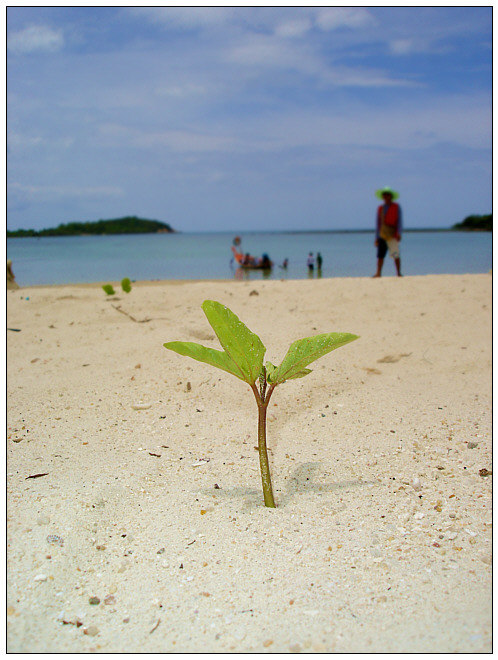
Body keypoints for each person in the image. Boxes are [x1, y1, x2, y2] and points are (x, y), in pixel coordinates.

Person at [373, 186, 402, 277]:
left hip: (392, 233)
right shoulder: (380, 208)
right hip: (382, 233)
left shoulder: (396, 207)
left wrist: (399, 233)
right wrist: (376, 237)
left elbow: (399, 221)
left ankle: (398, 273)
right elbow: (378, 224)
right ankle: (378, 273)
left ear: (391, 196)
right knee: (380, 255)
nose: (386, 197)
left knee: (395, 254)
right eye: (384, 195)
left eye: (388, 195)